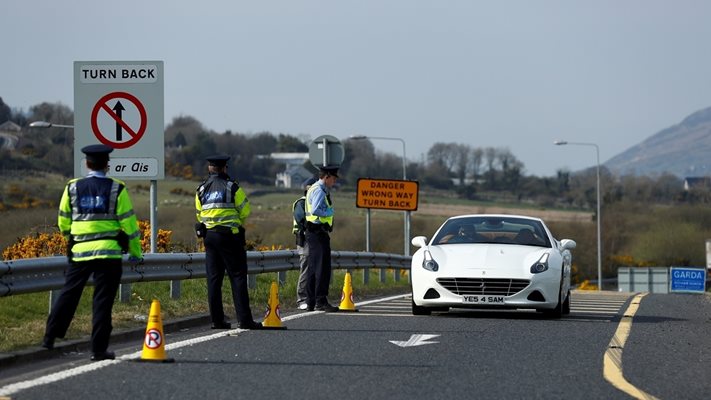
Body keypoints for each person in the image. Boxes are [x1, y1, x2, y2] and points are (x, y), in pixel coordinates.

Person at [42, 144, 143, 361]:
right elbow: (130, 224)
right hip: (109, 254)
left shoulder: (72, 187)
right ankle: (98, 350)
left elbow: (62, 220)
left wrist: (71, 240)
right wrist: (135, 252)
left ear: (86, 164)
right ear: (107, 165)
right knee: (102, 302)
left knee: (69, 294)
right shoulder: (118, 188)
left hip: (81, 252)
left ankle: (50, 337)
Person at [195, 154, 262, 330]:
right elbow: (245, 210)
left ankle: (217, 321)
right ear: (225, 168)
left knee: (214, 280)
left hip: (209, 237)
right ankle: (244, 320)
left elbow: (199, 213)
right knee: (238, 276)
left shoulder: (201, 189)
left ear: (210, 169)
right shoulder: (232, 188)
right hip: (229, 236)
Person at [304, 166, 340, 312]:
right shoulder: (319, 190)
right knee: (322, 268)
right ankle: (320, 301)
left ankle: (311, 301)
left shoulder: (316, 188)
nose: (335, 181)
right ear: (327, 177)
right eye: (334, 178)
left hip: (314, 232)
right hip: (317, 232)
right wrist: (329, 211)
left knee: (314, 267)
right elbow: (315, 210)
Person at [293, 176, 318, 310]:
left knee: (313, 269)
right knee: (306, 268)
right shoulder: (301, 203)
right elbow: (302, 219)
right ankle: (301, 298)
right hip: (304, 239)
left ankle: (310, 297)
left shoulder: (315, 203)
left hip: (313, 239)